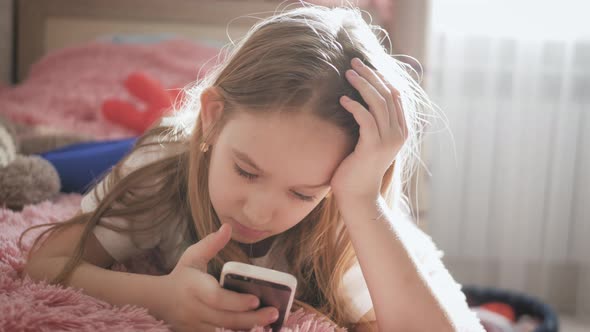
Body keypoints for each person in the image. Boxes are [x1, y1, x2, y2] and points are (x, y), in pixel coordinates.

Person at [21, 4, 484, 332]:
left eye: (302, 193)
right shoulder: (163, 170)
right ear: (213, 116)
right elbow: (46, 262)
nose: (260, 213)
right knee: (86, 155)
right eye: (246, 171)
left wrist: (362, 201)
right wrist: (158, 297)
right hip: (176, 147)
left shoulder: (345, 212)